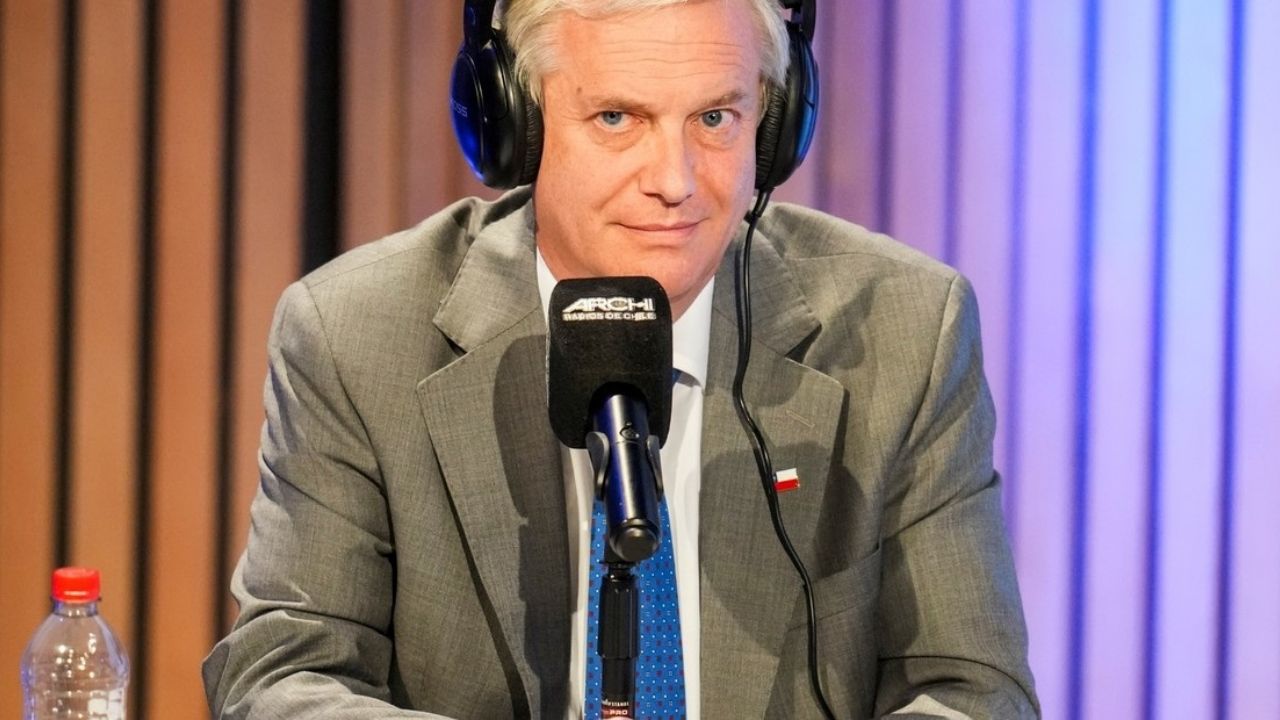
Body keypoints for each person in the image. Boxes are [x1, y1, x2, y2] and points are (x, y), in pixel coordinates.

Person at [202, 0, 1039, 717]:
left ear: (774, 125)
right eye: (617, 119)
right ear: (517, 125)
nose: (675, 180)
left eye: (715, 118)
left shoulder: (904, 330)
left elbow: (974, 692)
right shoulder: (357, 334)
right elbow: (284, 677)